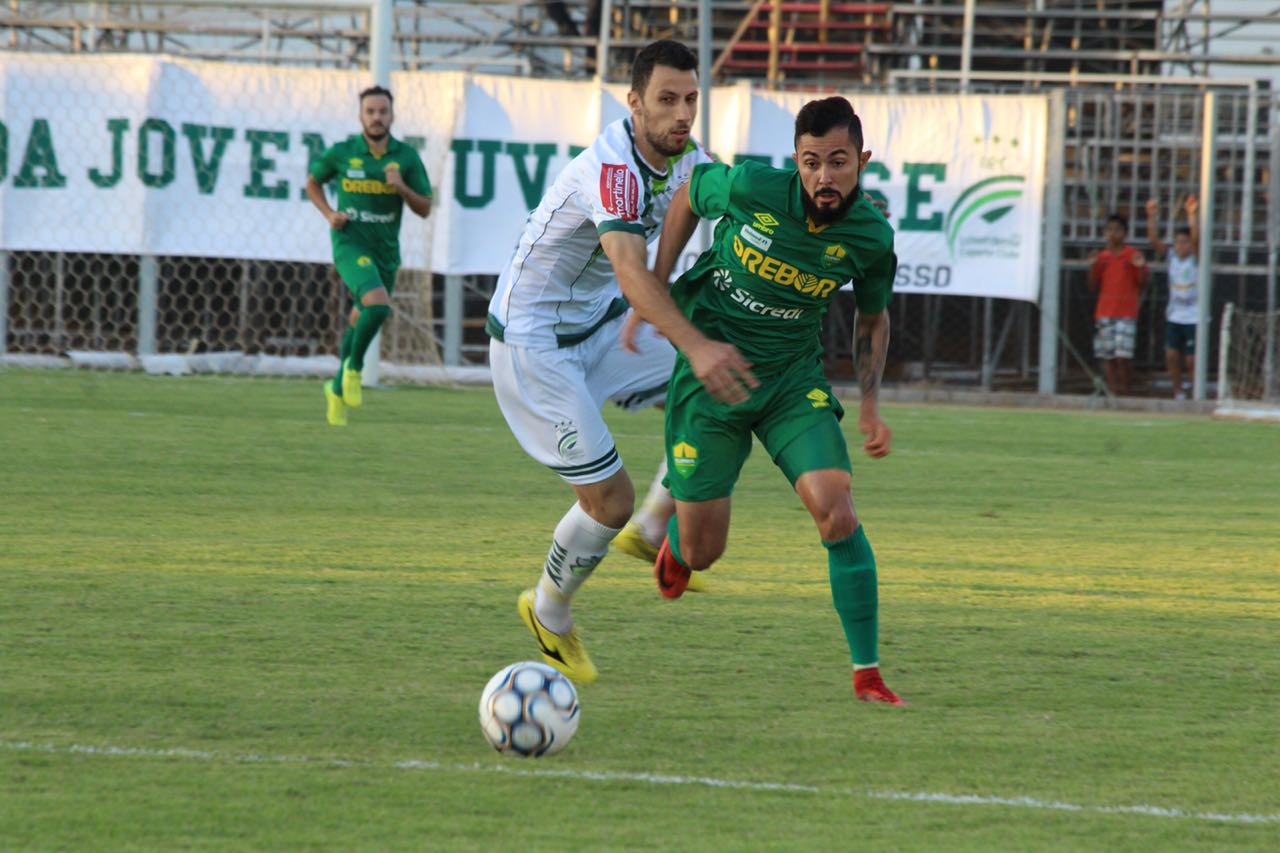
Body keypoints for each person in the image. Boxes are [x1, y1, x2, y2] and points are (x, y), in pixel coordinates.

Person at [625, 95, 905, 705]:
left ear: (863, 159)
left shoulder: (871, 235)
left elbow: (873, 319)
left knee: (837, 509)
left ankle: (868, 672)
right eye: (811, 163)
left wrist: (868, 406)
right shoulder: (753, 186)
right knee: (704, 552)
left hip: (789, 383)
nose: (824, 177)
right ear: (795, 162)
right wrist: (660, 286)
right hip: (711, 379)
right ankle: (676, 542)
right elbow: (690, 193)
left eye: (838, 161)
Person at [487, 40, 744, 684]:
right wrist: (683, 331)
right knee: (607, 500)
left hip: (600, 325)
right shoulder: (612, 168)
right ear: (634, 104)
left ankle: (656, 528)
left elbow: (725, 194)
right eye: (666, 100)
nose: (682, 114)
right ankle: (549, 611)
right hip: (533, 343)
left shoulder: (684, 156)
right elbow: (630, 271)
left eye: (690, 99)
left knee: (731, 380)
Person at [306, 85, 433, 427]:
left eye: (383, 111)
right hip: (351, 243)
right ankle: (355, 370)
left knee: (360, 316)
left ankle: (334, 388)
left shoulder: (405, 157)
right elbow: (312, 183)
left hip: (386, 251)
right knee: (377, 304)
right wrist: (330, 214)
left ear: (392, 115)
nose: (377, 117)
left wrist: (401, 188)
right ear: (361, 115)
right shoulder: (344, 152)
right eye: (370, 111)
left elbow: (425, 208)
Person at [1144, 195, 1200, 400]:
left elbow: (1196, 240)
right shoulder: (1172, 259)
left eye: (1184, 242)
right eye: (1177, 242)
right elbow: (1153, 240)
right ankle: (1178, 391)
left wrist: (1192, 214)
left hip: (1194, 316)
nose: (1180, 246)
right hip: (1175, 315)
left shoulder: (1195, 260)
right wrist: (1152, 216)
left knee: (1191, 359)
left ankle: (1196, 391)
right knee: (1171, 355)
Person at [1087, 215, 1149, 396]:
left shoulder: (1132, 255)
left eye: (1117, 230)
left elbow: (1143, 284)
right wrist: (1092, 266)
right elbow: (1092, 286)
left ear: (1125, 233)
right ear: (1105, 233)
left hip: (1126, 312)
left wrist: (1139, 267)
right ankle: (1112, 391)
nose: (1113, 234)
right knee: (1107, 355)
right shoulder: (1101, 257)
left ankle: (1125, 391)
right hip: (1105, 312)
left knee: (1123, 355)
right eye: (1109, 230)